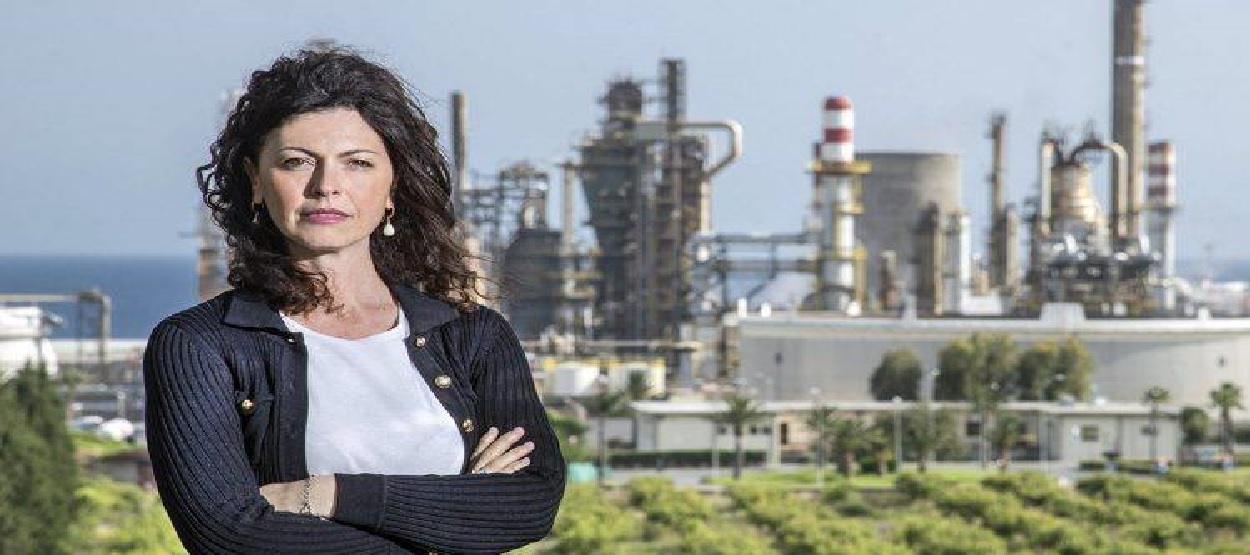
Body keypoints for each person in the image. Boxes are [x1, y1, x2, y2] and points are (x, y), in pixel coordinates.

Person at [143, 47, 564, 554]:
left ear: (393, 187)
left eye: (358, 163)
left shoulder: (472, 336)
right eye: (297, 162)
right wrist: (455, 520)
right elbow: (230, 536)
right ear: (256, 181)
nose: (326, 186)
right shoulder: (199, 345)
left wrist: (328, 494)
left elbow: (529, 502)